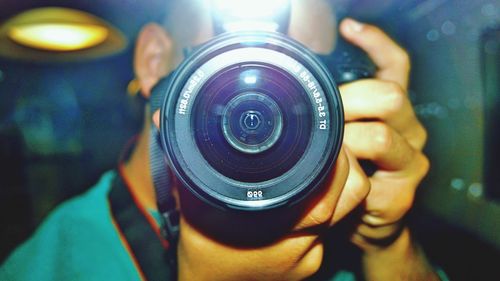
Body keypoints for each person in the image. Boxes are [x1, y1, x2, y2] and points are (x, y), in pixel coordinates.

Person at [0, 0, 444, 280]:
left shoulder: (340, 222)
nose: (261, 94)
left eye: (295, 68)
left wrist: (386, 243)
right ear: (154, 58)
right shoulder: (50, 263)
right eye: (227, 56)